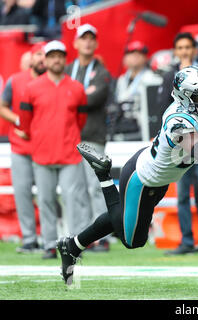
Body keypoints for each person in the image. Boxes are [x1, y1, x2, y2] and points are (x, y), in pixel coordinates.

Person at [56, 65, 198, 285]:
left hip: (160, 178)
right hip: (142, 179)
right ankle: (103, 174)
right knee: (131, 240)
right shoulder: (178, 121)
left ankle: (72, 246)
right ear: (185, 98)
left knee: (122, 217)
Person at [19, 40, 91, 259]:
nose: (56, 60)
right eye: (52, 56)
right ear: (45, 60)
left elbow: (81, 119)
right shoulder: (31, 88)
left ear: (64, 58)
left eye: (60, 55)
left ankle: (75, 245)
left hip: (69, 153)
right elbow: (25, 121)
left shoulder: (77, 88)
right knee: (46, 200)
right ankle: (49, 245)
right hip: (41, 154)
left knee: (73, 200)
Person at [158, 32, 198, 255]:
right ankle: (187, 240)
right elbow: (162, 110)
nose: (184, 51)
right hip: (181, 145)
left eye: (187, 47)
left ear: (194, 49)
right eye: (180, 47)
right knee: (182, 195)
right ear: (176, 51)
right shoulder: (169, 77)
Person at [66, 23, 112, 252]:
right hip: (69, 137)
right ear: (75, 43)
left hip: (93, 136)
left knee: (96, 187)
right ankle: (85, 236)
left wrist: (69, 95)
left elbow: (92, 99)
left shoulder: (102, 72)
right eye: (83, 38)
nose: (87, 42)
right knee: (77, 189)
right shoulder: (67, 69)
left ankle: (102, 236)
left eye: (91, 38)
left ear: (96, 43)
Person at [0, 42, 46, 253]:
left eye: (46, 54)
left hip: (47, 146)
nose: (42, 59)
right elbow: (3, 107)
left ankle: (51, 237)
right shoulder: (16, 81)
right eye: (39, 54)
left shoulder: (55, 81)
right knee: (22, 192)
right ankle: (29, 238)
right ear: (31, 56)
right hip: (20, 145)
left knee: (48, 195)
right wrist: (20, 121)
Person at [112, 40, 163, 141]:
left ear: (146, 57)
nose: (135, 56)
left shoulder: (152, 78)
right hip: (123, 128)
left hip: (144, 129)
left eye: (139, 53)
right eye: (131, 53)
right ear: (125, 58)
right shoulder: (122, 80)